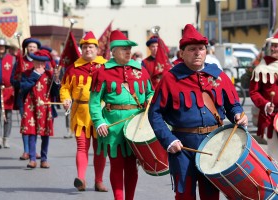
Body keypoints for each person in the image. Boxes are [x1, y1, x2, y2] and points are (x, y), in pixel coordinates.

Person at [148, 24, 248, 200]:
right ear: (182, 53)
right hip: (182, 147)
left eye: (201, 49)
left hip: (213, 145)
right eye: (192, 49)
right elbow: (154, 113)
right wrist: (169, 140)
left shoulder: (218, 76)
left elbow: (233, 105)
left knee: (211, 195)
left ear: (206, 51)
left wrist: (238, 114)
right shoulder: (170, 79)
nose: (197, 53)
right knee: (184, 195)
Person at [89, 30, 154, 200]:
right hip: (113, 127)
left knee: (132, 167)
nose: (128, 52)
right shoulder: (102, 72)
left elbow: (149, 93)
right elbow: (94, 102)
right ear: (114, 51)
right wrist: (99, 122)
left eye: (129, 49)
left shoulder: (140, 69)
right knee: (117, 165)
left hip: (136, 126)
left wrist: (150, 101)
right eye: (124, 49)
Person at [60, 31, 108, 192]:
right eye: (85, 47)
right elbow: (65, 88)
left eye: (91, 47)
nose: (88, 50)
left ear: (97, 49)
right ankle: (81, 178)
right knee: (82, 146)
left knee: (100, 149)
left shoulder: (106, 67)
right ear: (82, 49)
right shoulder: (73, 68)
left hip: (101, 114)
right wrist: (65, 99)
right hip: (80, 113)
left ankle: (99, 181)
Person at [20, 49, 60, 169]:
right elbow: (23, 89)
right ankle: (32, 159)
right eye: (37, 62)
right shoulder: (27, 73)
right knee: (31, 133)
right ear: (33, 62)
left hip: (45, 108)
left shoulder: (50, 75)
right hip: (31, 107)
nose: (40, 65)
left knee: (45, 134)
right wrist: (34, 76)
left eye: (43, 63)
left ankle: (44, 159)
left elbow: (55, 92)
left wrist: (57, 80)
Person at [10, 37, 42, 160]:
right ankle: (26, 151)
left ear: (37, 49)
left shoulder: (40, 61)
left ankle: (34, 151)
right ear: (26, 48)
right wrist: (20, 81)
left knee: (36, 124)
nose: (32, 48)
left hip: (37, 98)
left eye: (34, 47)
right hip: (24, 97)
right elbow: (12, 79)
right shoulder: (20, 61)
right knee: (26, 123)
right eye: (29, 47)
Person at [249, 33, 278, 161]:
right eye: (272, 46)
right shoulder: (261, 67)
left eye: (277, 46)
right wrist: (265, 104)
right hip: (270, 117)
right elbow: (253, 92)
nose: (273, 49)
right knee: (274, 153)